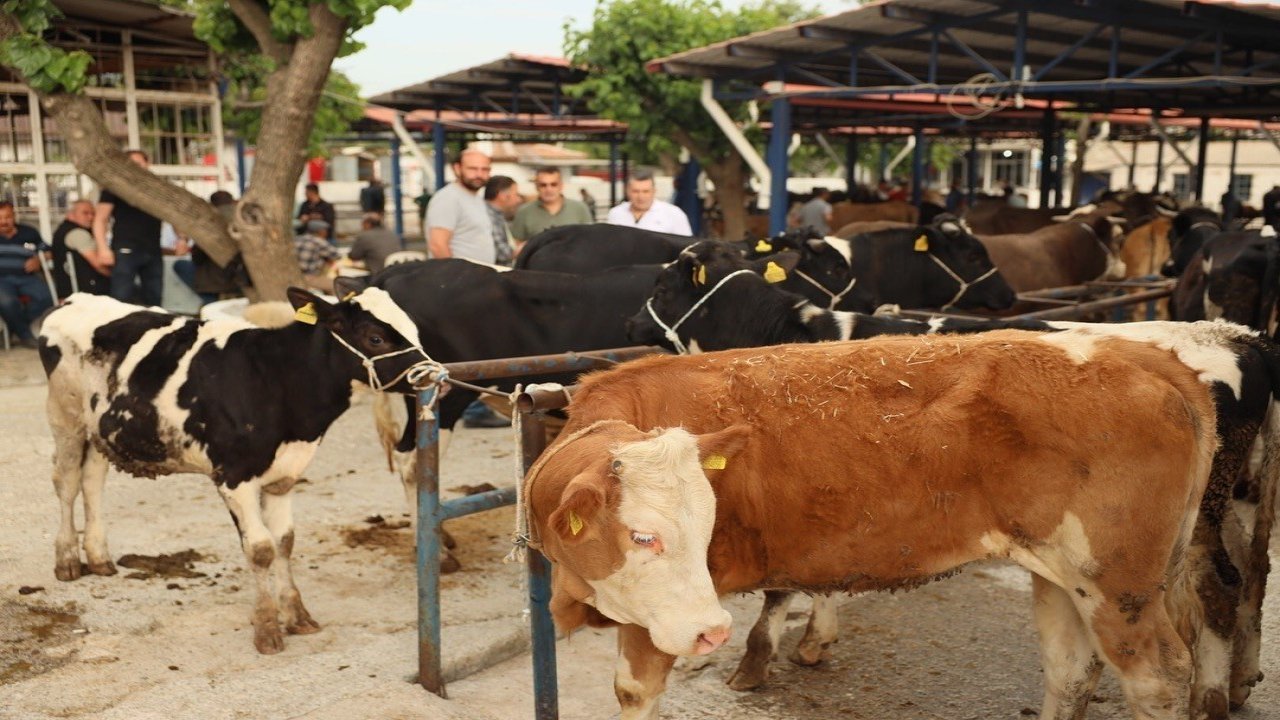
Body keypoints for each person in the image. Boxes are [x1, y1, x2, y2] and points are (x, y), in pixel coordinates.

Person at [94, 149, 164, 306]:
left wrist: (181, 239)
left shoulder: (158, 188)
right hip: (125, 250)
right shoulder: (114, 187)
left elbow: (175, 216)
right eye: (131, 164)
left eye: (139, 163)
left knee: (154, 298)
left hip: (153, 250)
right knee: (121, 299)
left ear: (147, 164)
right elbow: (101, 219)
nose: (136, 167)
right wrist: (103, 248)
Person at [425, 148, 494, 262]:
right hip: (458, 277)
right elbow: (438, 245)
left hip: (477, 277)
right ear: (457, 168)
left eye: (485, 169)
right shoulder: (448, 198)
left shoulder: (475, 197)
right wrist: (454, 276)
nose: (479, 174)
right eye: (473, 169)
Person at [0, 201, 52, 348]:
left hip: (26, 277)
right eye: (0, 217)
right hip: (1, 280)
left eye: (7, 217)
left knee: (46, 299)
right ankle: (25, 335)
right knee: (7, 303)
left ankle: (13, 325)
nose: (3, 221)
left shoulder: (29, 232)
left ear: (14, 216)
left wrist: (38, 261)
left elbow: (48, 251)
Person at [510, 167, 593, 247]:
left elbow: (590, 240)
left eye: (554, 184)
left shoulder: (580, 209)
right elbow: (517, 244)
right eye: (543, 185)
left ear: (561, 186)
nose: (548, 189)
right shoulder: (524, 212)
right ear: (536, 187)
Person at [51, 199, 109, 298]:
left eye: (93, 213)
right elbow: (99, 265)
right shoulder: (78, 233)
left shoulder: (62, 229)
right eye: (85, 213)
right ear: (71, 214)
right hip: (85, 293)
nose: (91, 217)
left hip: (67, 291)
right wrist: (118, 275)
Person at [606, 169, 692, 236]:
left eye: (646, 191)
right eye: (635, 191)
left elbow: (687, 247)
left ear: (654, 191)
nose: (641, 196)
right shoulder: (615, 213)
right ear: (627, 191)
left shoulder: (674, 214)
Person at [484, 176, 523, 266]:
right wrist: (527, 247)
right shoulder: (490, 216)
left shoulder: (497, 215)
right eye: (516, 194)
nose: (519, 200)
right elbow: (502, 253)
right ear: (503, 196)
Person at [294, 219, 338, 294]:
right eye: (325, 230)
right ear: (320, 231)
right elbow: (336, 255)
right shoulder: (318, 241)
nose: (327, 233)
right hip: (308, 277)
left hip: (294, 274)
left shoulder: (297, 238)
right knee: (336, 286)